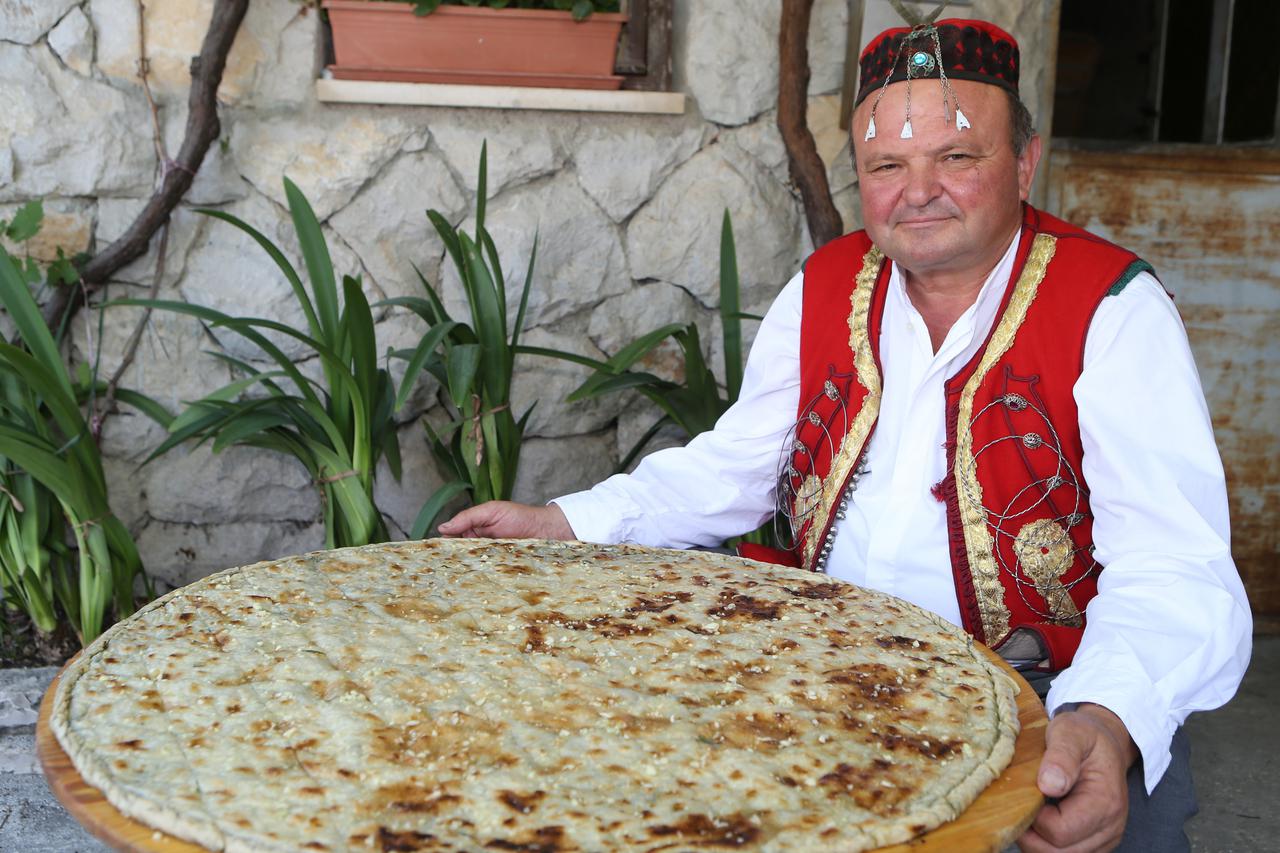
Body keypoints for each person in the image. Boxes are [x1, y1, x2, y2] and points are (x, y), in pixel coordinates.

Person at [439, 18, 1251, 853]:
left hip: (1053, 684)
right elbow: (737, 465)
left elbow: (1174, 564)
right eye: (887, 166)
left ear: (1024, 162)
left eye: (958, 158)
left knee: (1097, 826)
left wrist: (1108, 720)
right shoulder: (827, 283)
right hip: (826, 663)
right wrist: (562, 523)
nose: (919, 190)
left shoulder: (1111, 307)